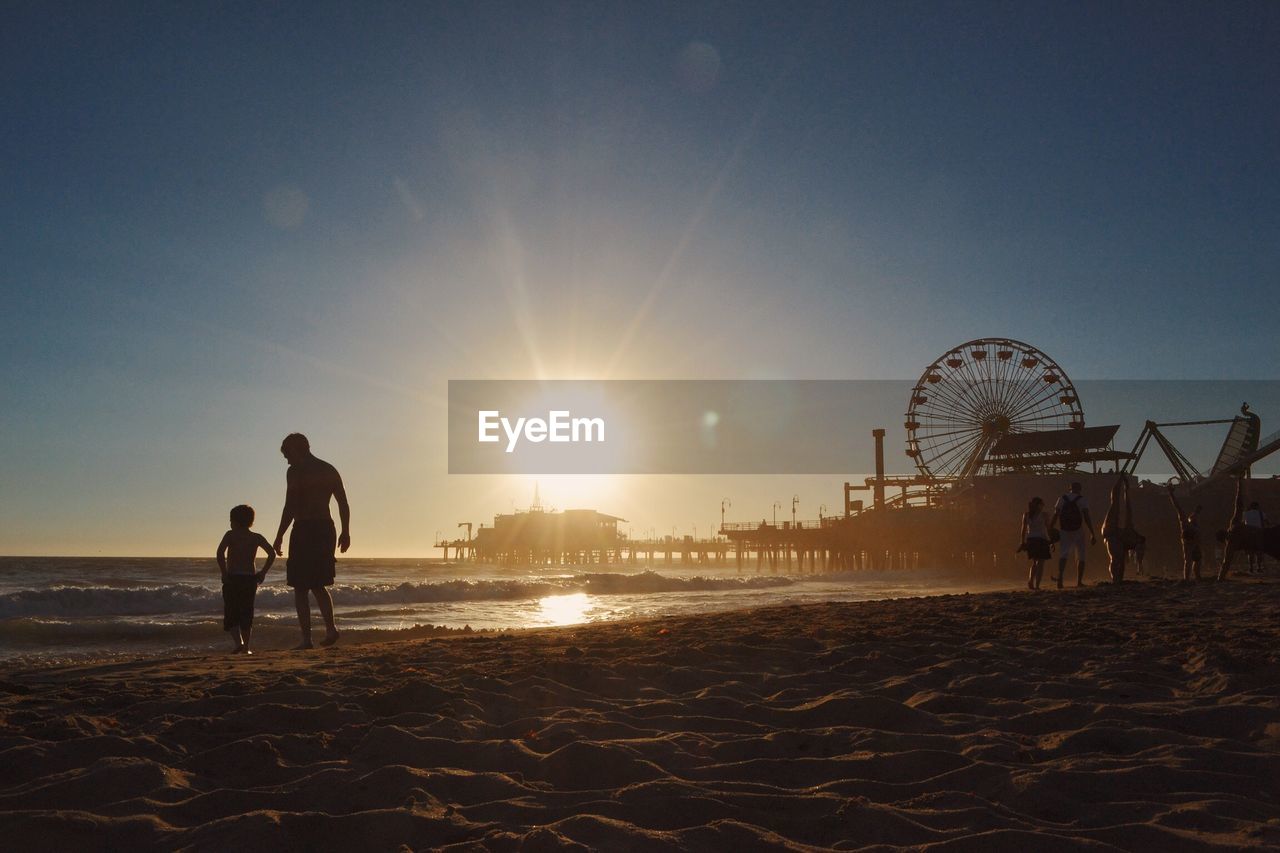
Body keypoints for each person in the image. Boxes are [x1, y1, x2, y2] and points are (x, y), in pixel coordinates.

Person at [273, 433, 350, 649]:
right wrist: (345, 531)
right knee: (317, 584)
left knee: (301, 587)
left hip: (307, 528)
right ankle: (330, 630)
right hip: (325, 528)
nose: (287, 460)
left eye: (288, 454)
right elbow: (343, 503)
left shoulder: (295, 472)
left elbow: (290, 506)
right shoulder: (328, 469)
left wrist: (279, 535)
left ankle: (307, 639)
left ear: (298, 450)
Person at [216, 504, 275, 654]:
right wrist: (263, 572)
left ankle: (239, 643)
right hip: (249, 579)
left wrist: (224, 572)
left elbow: (220, 553)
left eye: (231, 520)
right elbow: (272, 553)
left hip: (233, 578)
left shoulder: (230, 535)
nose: (230, 523)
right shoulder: (255, 537)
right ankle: (246, 646)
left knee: (231, 612)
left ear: (234, 521)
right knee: (246, 612)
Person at [1049, 481, 1095, 588]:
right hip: (1078, 530)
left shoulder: (1061, 499)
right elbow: (1086, 517)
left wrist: (1050, 528)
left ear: (1069, 488)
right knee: (1081, 555)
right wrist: (1092, 533)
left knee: (1063, 554)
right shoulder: (1082, 500)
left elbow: (1056, 515)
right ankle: (1079, 581)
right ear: (1080, 489)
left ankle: (1060, 580)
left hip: (1064, 530)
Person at [1167, 484, 1203, 580]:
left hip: (1195, 543)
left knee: (1198, 560)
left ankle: (1197, 576)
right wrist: (1171, 494)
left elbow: (1195, 513)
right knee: (1188, 561)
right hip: (1188, 543)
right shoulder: (1185, 522)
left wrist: (1197, 510)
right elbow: (1177, 507)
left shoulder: (1195, 523)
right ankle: (1186, 578)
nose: (1195, 516)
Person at [1019, 497, 1052, 589]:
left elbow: (1023, 529)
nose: (1043, 506)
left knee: (1034, 562)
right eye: (1042, 504)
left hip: (1031, 539)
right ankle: (1037, 585)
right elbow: (1048, 529)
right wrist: (1051, 540)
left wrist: (1022, 541)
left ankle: (1030, 580)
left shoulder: (1026, 514)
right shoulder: (1044, 515)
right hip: (1041, 539)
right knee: (1041, 563)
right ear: (1038, 505)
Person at [1243, 501, 1268, 573]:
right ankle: (1259, 567)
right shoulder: (1261, 513)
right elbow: (1267, 522)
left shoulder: (1245, 514)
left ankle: (1251, 567)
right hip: (1258, 534)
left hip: (1248, 534)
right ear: (1257, 507)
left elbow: (1243, 522)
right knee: (1259, 552)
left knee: (1250, 552)